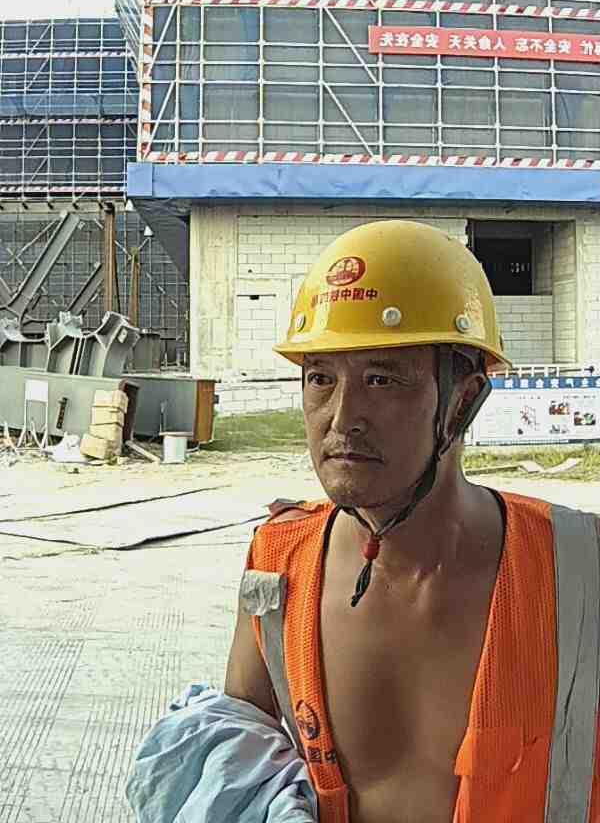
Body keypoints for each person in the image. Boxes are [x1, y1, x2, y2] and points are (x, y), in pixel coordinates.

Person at [126, 220, 600, 823]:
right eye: (320, 378)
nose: (342, 416)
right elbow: (239, 775)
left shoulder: (579, 569)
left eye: (382, 379)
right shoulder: (277, 566)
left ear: (463, 400)